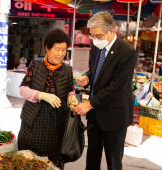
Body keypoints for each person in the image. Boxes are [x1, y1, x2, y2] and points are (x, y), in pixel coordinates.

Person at [74, 12, 137, 170]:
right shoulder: (96, 47)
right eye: (92, 36)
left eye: (98, 36)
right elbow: (95, 70)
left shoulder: (127, 52)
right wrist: (88, 78)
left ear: (111, 31)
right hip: (95, 114)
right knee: (92, 157)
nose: (95, 40)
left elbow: (117, 86)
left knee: (113, 161)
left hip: (115, 115)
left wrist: (89, 104)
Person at [18, 28, 78, 170]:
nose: (61, 54)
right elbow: (22, 89)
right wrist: (41, 95)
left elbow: (70, 91)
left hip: (57, 123)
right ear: (47, 48)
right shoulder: (35, 64)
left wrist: (72, 99)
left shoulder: (67, 70)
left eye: (64, 50)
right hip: (33, 121)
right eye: (57, 49)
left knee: (55, 164)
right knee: (27, 162)